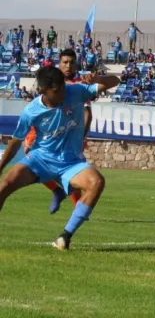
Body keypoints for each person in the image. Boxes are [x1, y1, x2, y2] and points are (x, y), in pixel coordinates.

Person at [0, 67, 119, 250]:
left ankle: (65, 237)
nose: (63, 93)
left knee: (96, 182)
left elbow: (115, 82)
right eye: (57, 90)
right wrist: (1, 167)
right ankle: (58, 192)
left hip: (71, 163)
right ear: (42, 90)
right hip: (40, 159)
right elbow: (16, 142)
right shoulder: (31, 111)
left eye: (63, 87)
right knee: (4, 186)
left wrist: (99, 78)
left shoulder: (76, 91)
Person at [24, 49, 95, 214]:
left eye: (71, 62)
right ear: (59, 63)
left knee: (69, 169)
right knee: (32, 161)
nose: (68, 66)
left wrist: (81, 137)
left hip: (68, 136)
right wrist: (30, 134)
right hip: (44, 132)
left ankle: (75, 204)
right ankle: (57, 191)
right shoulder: (50, 81)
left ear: (77, 64)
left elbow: (87, 113)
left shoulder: (79, 86)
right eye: (65, 62)